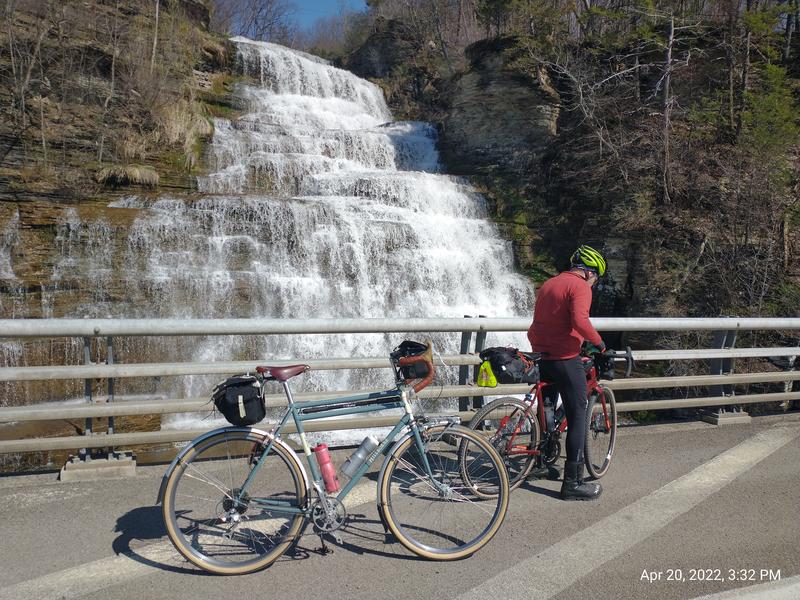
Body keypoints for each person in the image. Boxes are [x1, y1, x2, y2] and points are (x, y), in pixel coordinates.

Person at [527, 245, 607, 501]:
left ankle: (539, 463)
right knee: (578, 415)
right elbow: (580, 321)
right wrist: (600, 344)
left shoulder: (549, 283)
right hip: (564, 358)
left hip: (541, 355)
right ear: (590, 273)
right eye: (596, 279)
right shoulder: (580, 287)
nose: (594, 284)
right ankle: (572, 483)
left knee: (546, 409)